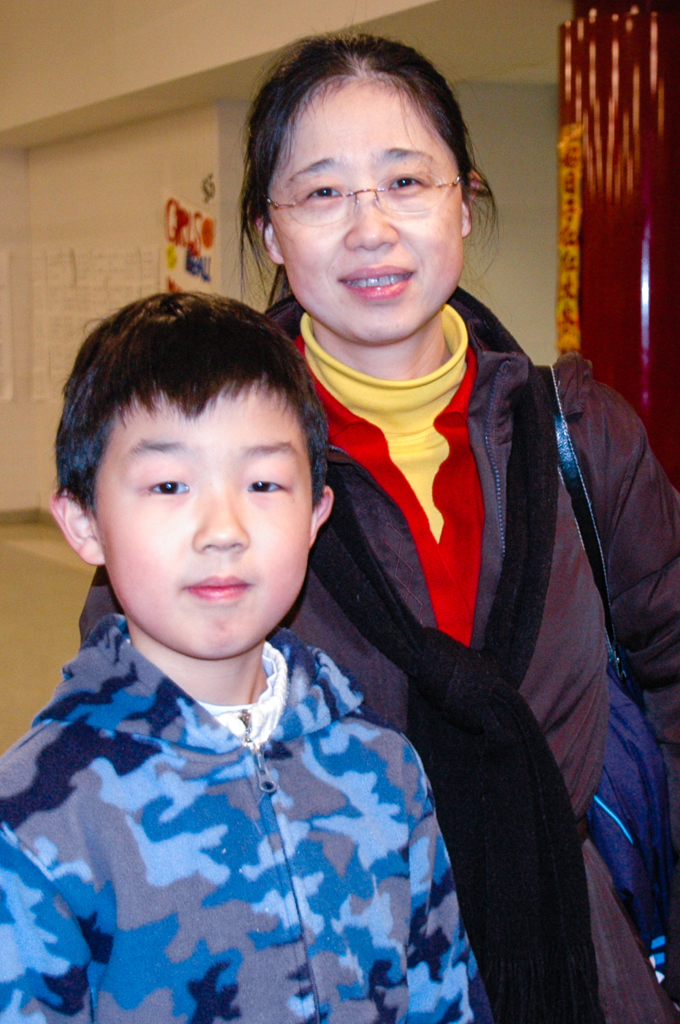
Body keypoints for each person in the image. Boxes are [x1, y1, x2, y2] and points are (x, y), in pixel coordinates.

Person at [236, 32, 680, 1024]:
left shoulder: (578, 433)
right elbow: (143, 737)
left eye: (405, 181)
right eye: (321, 192)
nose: (371, 228)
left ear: (463, 201)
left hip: (582, 963)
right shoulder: (209, 471)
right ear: (271, 235)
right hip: (323, 972)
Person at [0, 293, 491, 1024]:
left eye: (264, 484)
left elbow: (444, 1001)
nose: (223, 529)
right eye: (169, 485)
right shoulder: (39, 817)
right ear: (84, 523)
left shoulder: (382, 768)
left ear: (316, 515)